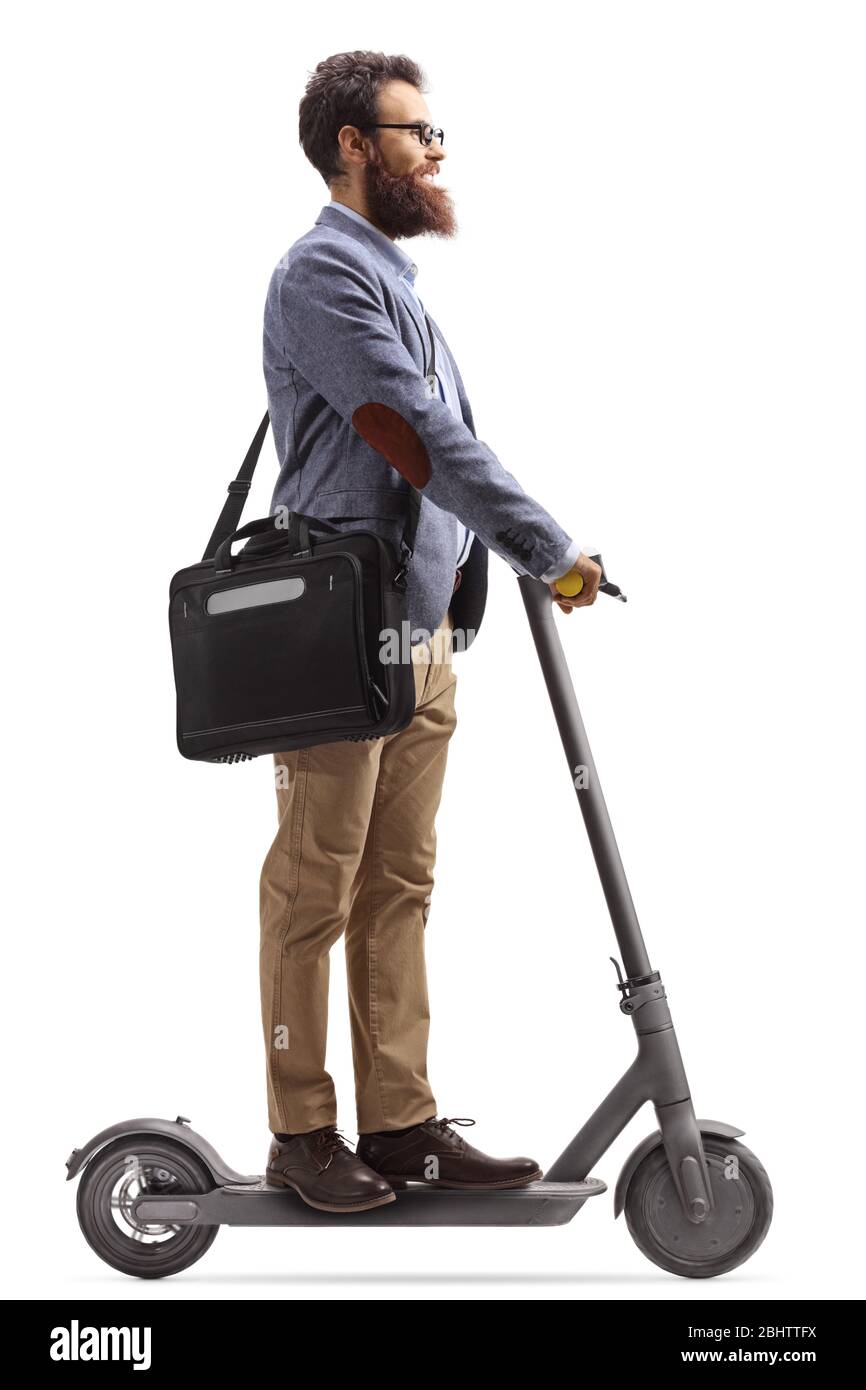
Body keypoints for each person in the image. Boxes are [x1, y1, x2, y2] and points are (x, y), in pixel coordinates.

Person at [260, 50, 602, 1214]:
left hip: (413, 636)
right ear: (354, 146)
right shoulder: (321, 276)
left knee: (398, 882)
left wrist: (480, 574)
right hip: (335, 639)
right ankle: (302, 1132)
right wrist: (547, 548)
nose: (436, 149)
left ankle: (398, 1122)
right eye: (416, 131)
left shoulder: (393, 280)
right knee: (316, 884)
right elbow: (416, 438)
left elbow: (426, 453)